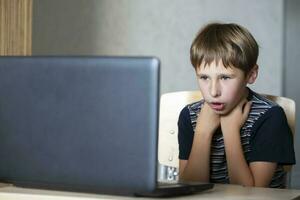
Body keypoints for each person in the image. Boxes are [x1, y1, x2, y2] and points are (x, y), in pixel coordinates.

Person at [178, 22, 295, 188]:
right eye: (204, 77)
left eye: (225, 78)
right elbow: (189, 189)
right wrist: (202, 133)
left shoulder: (270, 117)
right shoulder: (189, 115)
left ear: (251, 75)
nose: (213, 91)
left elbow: (251, 194)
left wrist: (230, 130)